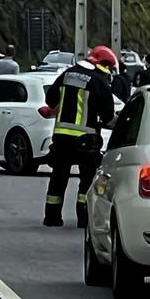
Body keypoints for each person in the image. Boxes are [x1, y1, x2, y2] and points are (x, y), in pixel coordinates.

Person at [43, 45, 116, 228]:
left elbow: (50, 99)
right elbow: (107, 114)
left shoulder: (67, 74)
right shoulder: (99, 81)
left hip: (61, 136)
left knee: (58, 176)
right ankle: (83, 219)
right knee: (87, 177)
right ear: (103, 65)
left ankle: (52, 217)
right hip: (86, 138)